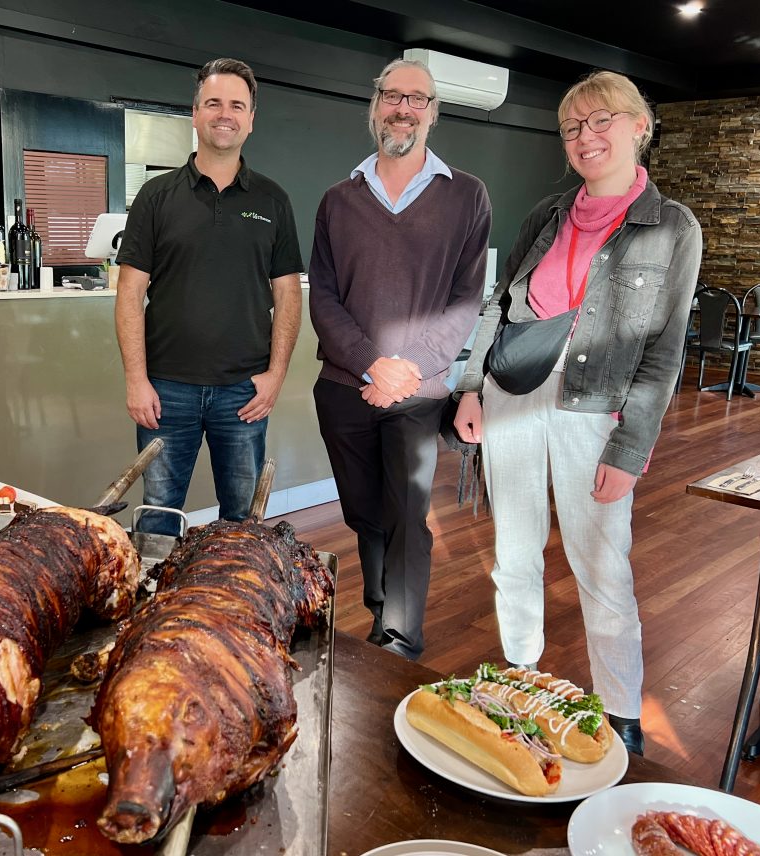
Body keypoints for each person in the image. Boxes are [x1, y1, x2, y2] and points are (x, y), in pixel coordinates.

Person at [453, 71, 703, 756]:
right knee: (514, 550)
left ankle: (622, 711)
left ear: (637, 126)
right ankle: (520, 675)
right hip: (512, 392)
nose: (586, 137)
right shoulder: (546, 214)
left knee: (601, 562)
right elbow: (499, 308)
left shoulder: (672, 226)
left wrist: (631, 451)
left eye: (601, 121)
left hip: (595, 411)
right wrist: (471, 386)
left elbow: (664, 349)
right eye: (572, 127)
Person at [308, 58, 492, 661]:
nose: (403, 108)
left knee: (407, 517)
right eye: (393, 96)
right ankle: (383, 614)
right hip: (346, 389)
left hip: (417, 392)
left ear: (434, 112)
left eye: (418, 99)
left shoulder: (466, 195)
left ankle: (401, 639)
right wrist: (370, 366)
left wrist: (406, 370)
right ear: (375, 106)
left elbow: (467, 298)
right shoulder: (338, 199)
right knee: (364, 514)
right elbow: (325, 298)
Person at [115, 58, 303, 535]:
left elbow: (288, 294)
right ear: (195, 113)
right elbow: (130, 292)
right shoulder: (156, 197)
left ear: (251, 119)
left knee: (242, 522)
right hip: (165, 391)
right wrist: (136, 380)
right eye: (214, 103)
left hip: (243, 393)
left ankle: (232, 610)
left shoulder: (273, 200)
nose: (226, 114)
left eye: (237, 105)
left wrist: (277, 375)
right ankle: (155, 609)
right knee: (156, 518)